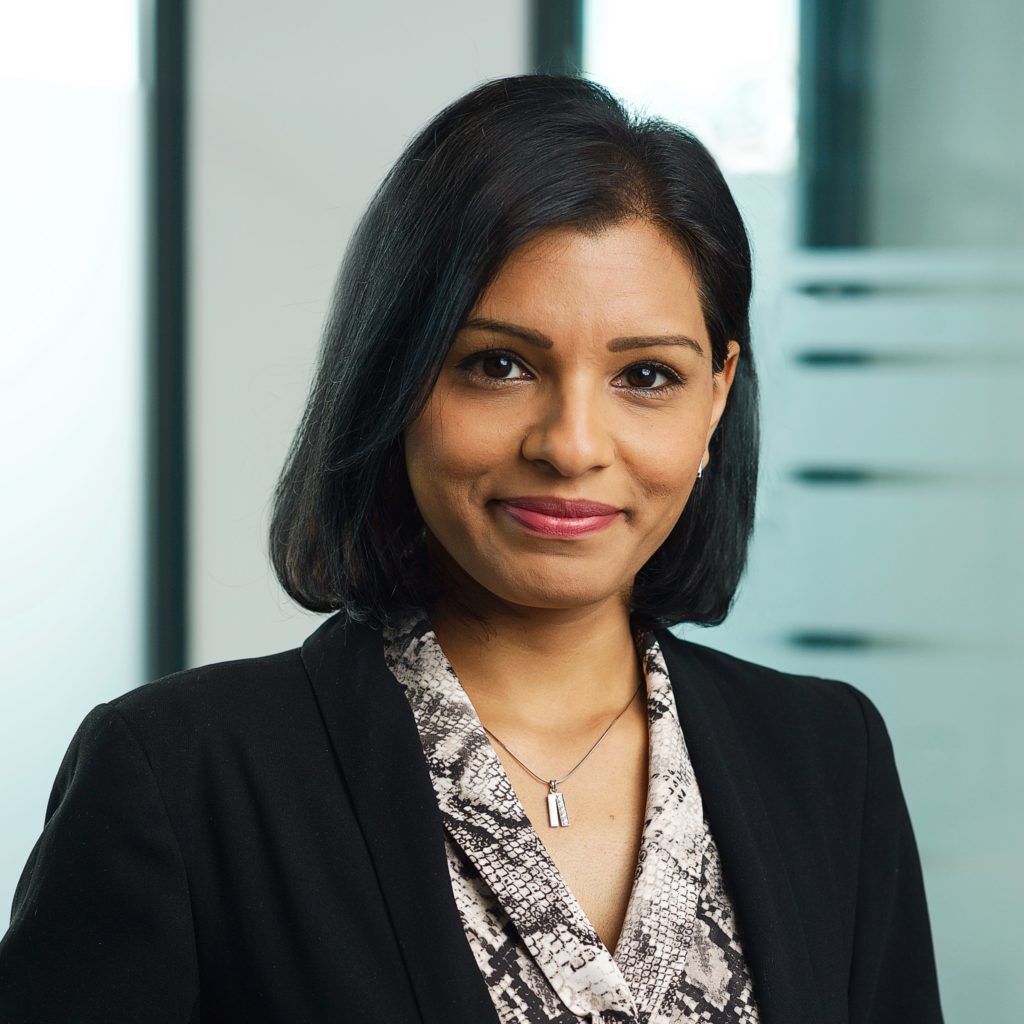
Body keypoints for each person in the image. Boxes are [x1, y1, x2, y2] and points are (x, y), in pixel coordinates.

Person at [0, 74, 944, 1024]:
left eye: (647, 375)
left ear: (717, 397)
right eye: (499, 365)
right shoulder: (181, 774)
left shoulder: (828, 759)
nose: (571, 445)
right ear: (398, 376)